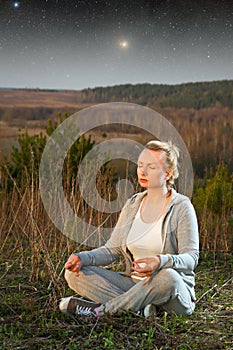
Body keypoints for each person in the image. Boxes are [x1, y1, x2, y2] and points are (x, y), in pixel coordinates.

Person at [59, 140, 199, 318]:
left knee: (168, 277)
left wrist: (160, 261)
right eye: (140, 165)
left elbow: (191, 258)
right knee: (74, 274)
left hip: (171, 292)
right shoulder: (133, 204)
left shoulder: (181, 207)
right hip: (134, 285)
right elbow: (113, 249)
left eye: (151, 167)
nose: (143, 171)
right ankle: (141, 310)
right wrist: (82, 258)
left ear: (168, 173)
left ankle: (101, 311)